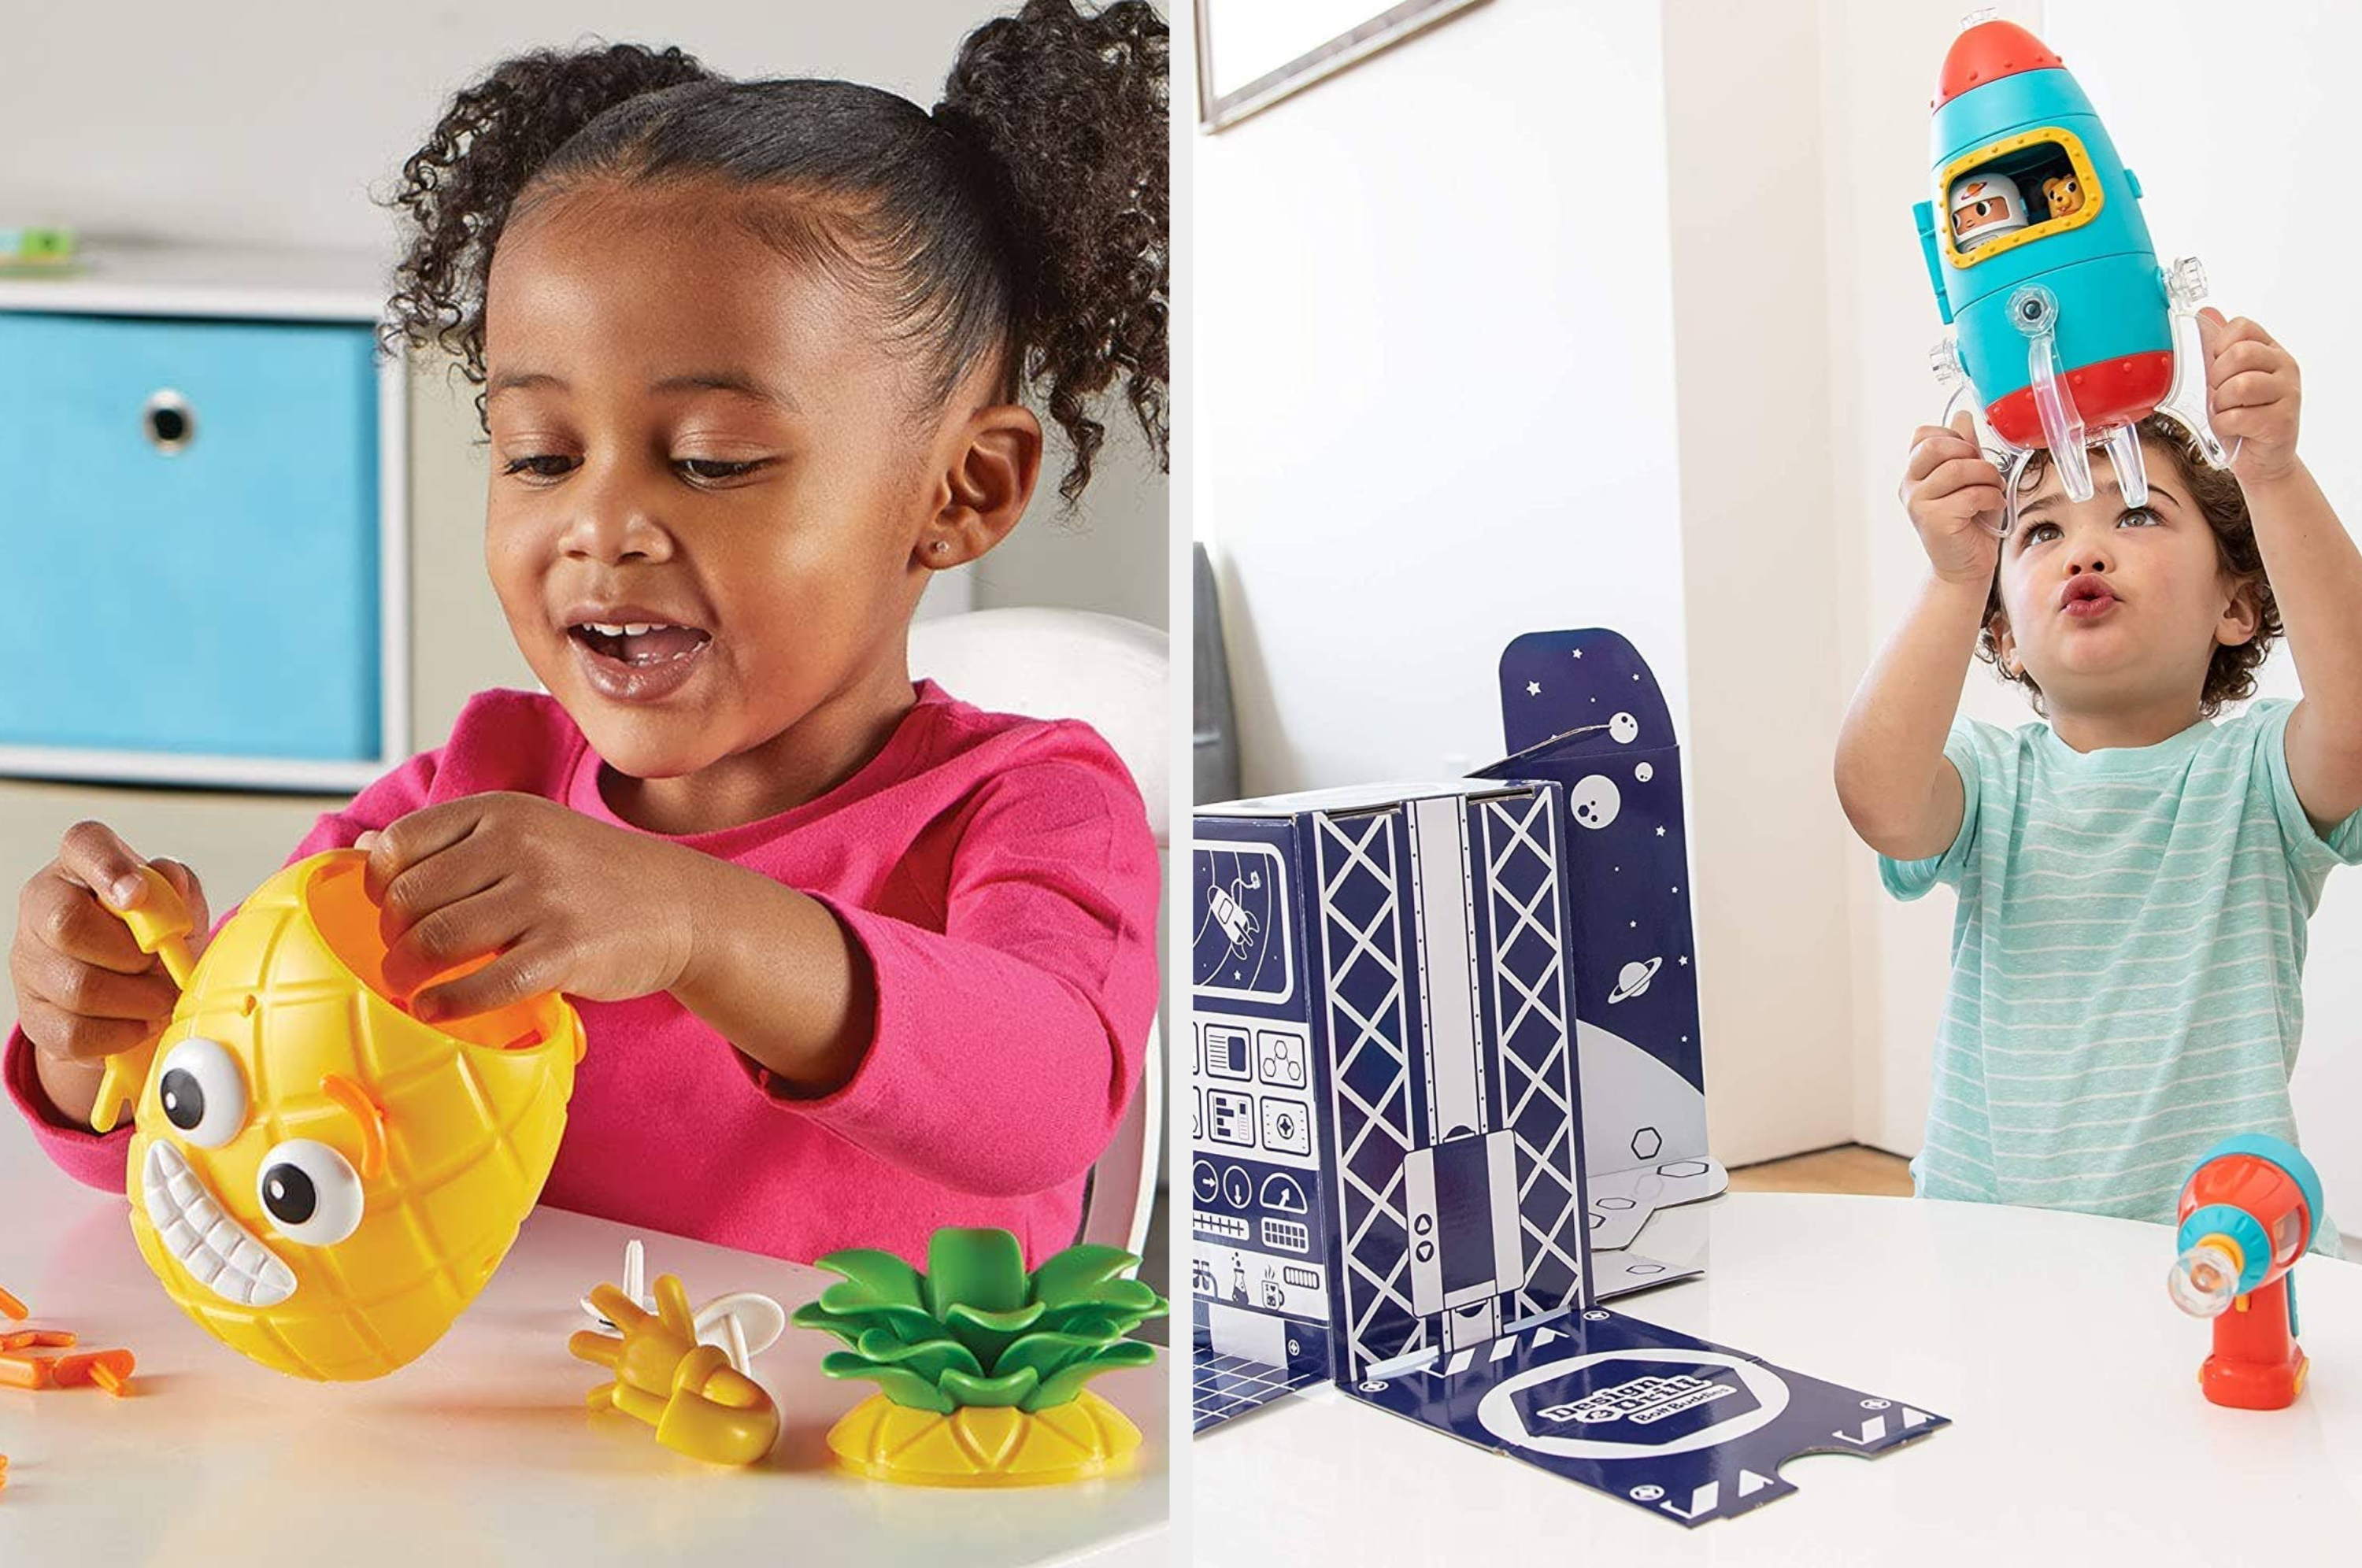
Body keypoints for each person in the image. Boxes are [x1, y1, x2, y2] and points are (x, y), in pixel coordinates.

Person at [6, 1, 1170, 1268]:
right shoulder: (459, 795)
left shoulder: (1030, 804)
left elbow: (1048, 1100)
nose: (600, 524)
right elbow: (229, 1138)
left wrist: (692, 924)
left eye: (715, 462)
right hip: (498, 1452)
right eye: (539, 456)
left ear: (963, 492)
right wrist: (108, 1045)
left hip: (863, 1455)